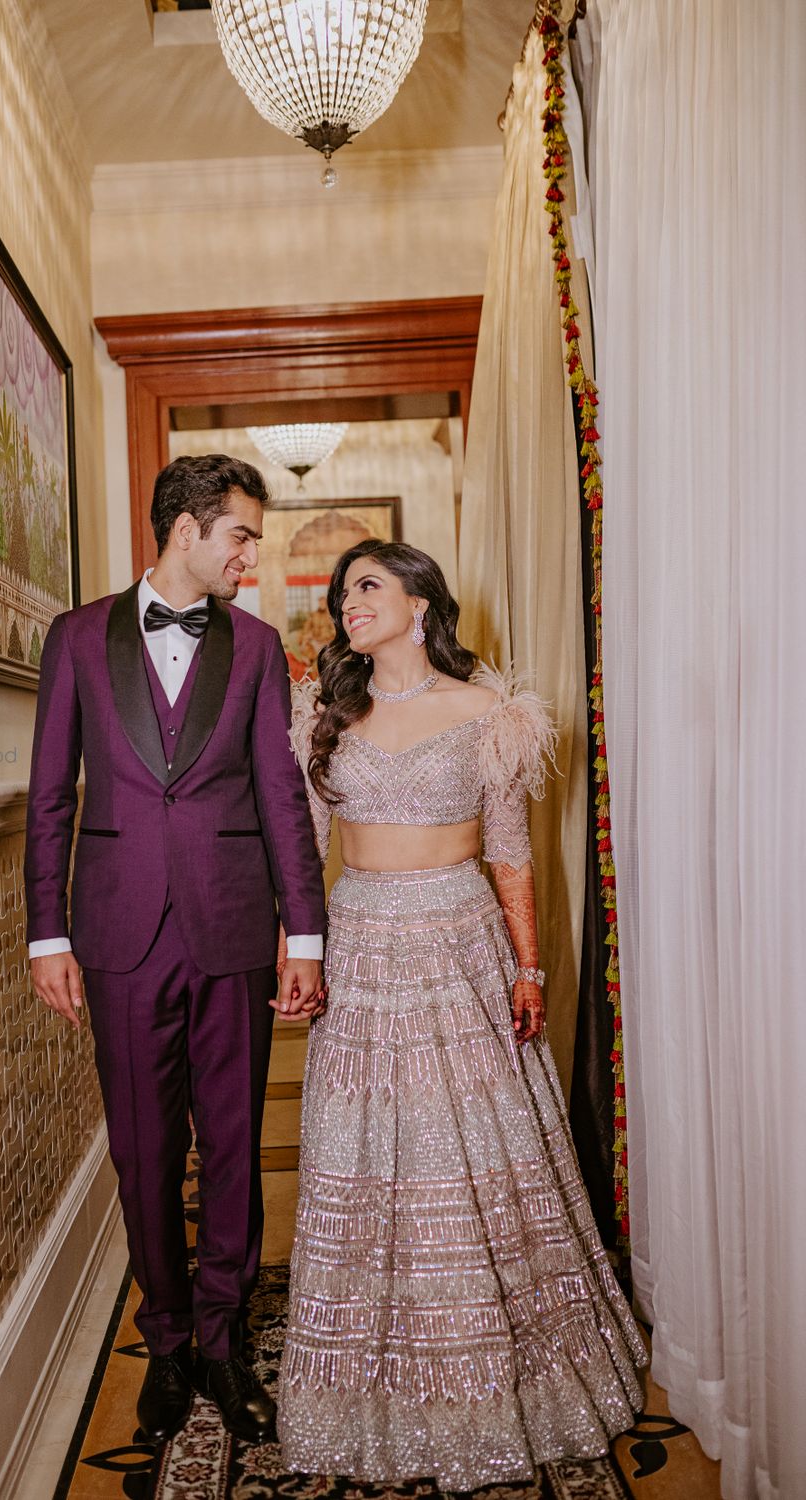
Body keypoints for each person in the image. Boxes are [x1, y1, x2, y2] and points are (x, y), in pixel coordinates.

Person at [278, 539, 647, 1492]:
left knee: (467, 1146)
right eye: (341, 593)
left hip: (460, 944)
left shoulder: (491, 712)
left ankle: (507, 1372)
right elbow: (303, 852)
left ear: (419, 598)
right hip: (360, 947)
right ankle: (370, 1383)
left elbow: (512, 851)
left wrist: (528, 967)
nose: (347, 604)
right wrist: (298, 950)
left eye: (367, 587)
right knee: (366, 1150)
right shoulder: (327, 714)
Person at [25, 455, 326, 1447]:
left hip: (234, 926)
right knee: (144, 1149)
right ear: (185, 530)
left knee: (234, 1142)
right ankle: (162, 1342)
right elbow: (50, 799)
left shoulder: (255, 647)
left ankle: (222, 1337)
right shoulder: (74, 639)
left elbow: (283, 802)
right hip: (113, 931)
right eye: (239, 533)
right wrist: (47, 933)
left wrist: (305, 936)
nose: (252, 552)